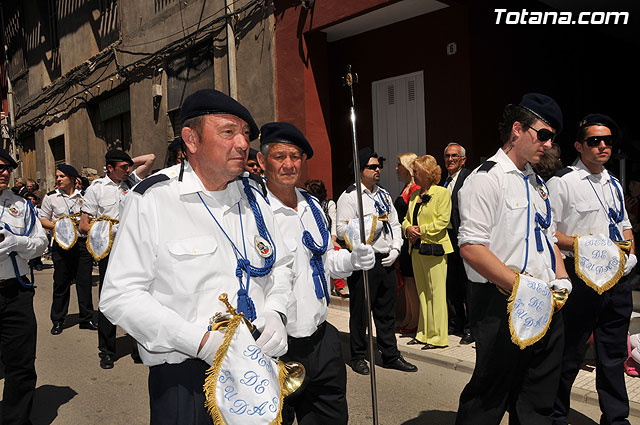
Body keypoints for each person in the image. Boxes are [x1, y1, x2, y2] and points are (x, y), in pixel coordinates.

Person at [99, 89, 294, 425]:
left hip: (257, 369)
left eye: (245, 134)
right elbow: (120, 296)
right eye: (228, 132)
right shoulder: (153, 199)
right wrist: (202, 343)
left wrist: (276, 311)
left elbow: (281, 264)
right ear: (190, 139)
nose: (242, 143)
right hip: (187, 379)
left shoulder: (254, 197)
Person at [455, 93, 570, 425]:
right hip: (501, 301)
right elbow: (472, 248)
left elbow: (547, 238)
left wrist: (561, 277)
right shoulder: (485, 178)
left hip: (546, 300)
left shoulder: (537, 183)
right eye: (543, 134)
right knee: (488, 400)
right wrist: (520, 287)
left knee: (537, 400)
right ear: (517, 129)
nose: (548, 145)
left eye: (553, 138)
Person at [257, 121, 375, 425]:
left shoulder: (312, 205)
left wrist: (352, 260)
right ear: (262, 161)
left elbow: (324, 262)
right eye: (279, 156)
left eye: (295, 157)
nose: (288, 164)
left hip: (322, 341)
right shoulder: (253, 211)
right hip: (275, 347)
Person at [547, 114, 637, 425]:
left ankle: (616, 419)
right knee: (569, 354)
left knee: (613, 356)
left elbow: (625, 226)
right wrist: (582, 246)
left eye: (608, 141)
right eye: (594, 141)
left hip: (617, 281)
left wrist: (630, 257)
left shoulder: (613, 182)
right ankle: (556, 415)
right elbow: (549, 232)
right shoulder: (562, 183)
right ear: (578, 145)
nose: (602, 146)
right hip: (581, 278)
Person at [337, 147, 418, 375]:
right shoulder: (350, 197)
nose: (378, 170)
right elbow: (341, 229)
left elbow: (393, 222)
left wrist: (395, 248)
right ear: (360, 171)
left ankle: (390, 354)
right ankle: (358, 356)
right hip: (365, 261)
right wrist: (369, 227)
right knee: (361, 312)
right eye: (372, 166)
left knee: (386, 313)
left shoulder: (382, 194)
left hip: (386, 260)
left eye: (378, 166)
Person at [79, 149, 156, 369]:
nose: (128, 170)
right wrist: (112, 230)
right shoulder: (96, 189)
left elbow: (150, 158)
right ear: (110, 168)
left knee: (137, 295)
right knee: (108, 298)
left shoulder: (132, 181)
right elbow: (84, 225)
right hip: (109, 248)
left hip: (133, 247)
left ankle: (137, 347)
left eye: (129, 166)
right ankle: (106, 350)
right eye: (123, 167)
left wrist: (129, 162)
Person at [0, 148, 48, 425]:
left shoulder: (20, 205)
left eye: (8, 168)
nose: (5, 172)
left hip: (15, 291)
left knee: (21, 364)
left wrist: (18, 244)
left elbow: (40, 243)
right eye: (0, 168)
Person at [39, 164, 97, 335]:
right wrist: (60, 226)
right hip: (62, 244)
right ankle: (58, 319)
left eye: (62, 176)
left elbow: (91, 216)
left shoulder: (84, 196)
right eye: (57, 176)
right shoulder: (51, 197)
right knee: (61, 282)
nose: (58, 179)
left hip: (81, 244)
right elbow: (43, 219)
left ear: (72, 178)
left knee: (84, 282)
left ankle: (86, 318)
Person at [402, 155, 452, 349]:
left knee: (436, 293)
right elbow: (406, 219)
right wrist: (408, 228)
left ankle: (438, 337)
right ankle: (423, 333)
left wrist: (419, 230)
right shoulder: (415, 196)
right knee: (422, 292)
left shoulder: (442, 193)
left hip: (435, 249)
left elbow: (443, 221)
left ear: (427, 173)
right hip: (416, 249)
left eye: (416, 171)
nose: (414, 174)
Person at [441, 142, 473, 344]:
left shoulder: (469, 178)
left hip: (465, 238)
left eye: (454, 156)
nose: (450, 159)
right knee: (452, 284)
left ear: (463, 159)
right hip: (449, 239)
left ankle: (471, 328)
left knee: (468, 285)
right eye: (447, 156)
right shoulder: (445, 181)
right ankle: (456, 324)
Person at [305, 178, 348, 297]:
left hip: (328, 237)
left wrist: (333, 239)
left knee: (336, 251)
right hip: (313, 239)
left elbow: (333, 222)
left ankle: (340, 287)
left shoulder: (330, 204)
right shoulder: (306, 204)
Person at [393, 152, 420, 334]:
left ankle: (415, 319)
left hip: (410, 240)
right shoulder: (406, 187)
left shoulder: (415, 188)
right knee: (408, 281)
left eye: (399, 165)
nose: (396, 169)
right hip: (404, 239)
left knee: (412, 281)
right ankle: (410, 317)